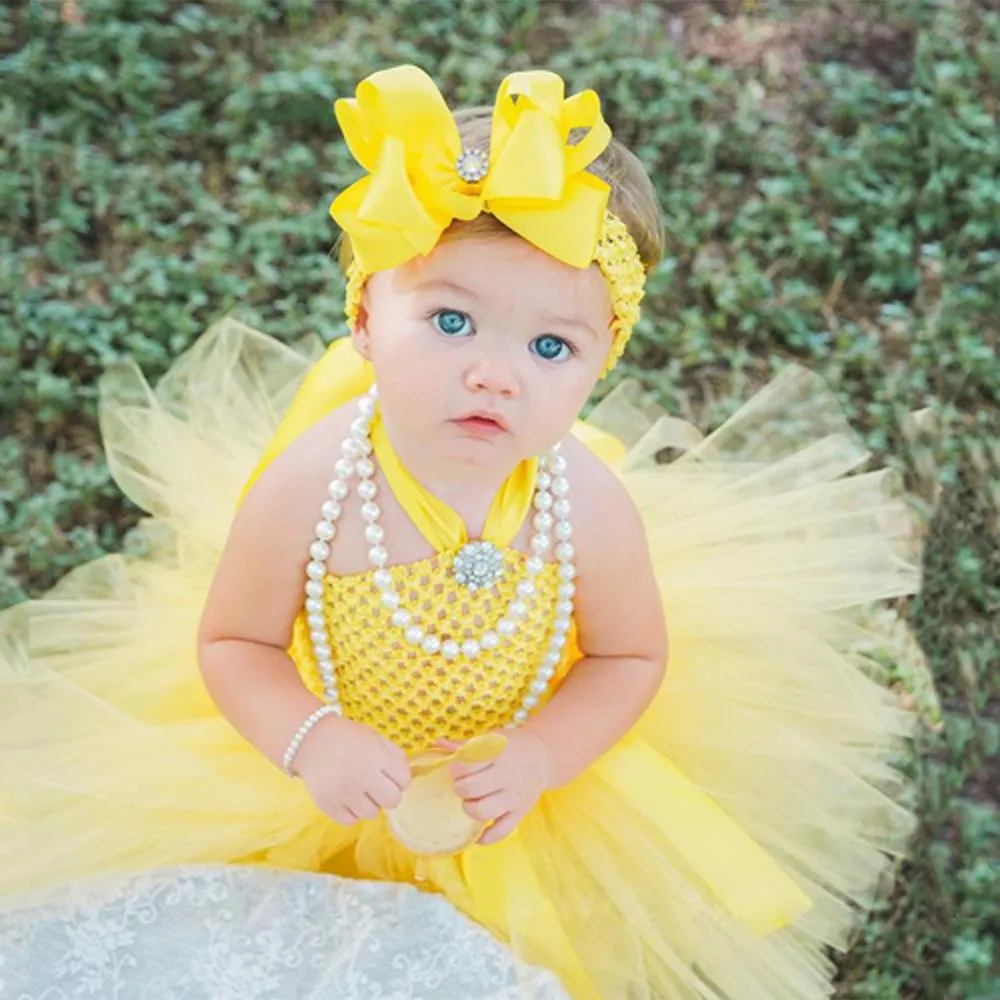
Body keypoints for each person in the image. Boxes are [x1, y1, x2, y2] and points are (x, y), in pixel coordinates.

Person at [0, 65, 928, 999]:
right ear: (366, 319)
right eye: (451, 321)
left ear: (602, 361)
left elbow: (629, 659)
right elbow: (235, 641)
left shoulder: (590, 509)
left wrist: (541, 755)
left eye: (550, 347)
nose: (496, 374)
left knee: (532, 960)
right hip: (327, 769)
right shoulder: (311, 486)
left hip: (517, 794)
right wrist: (311, 740)